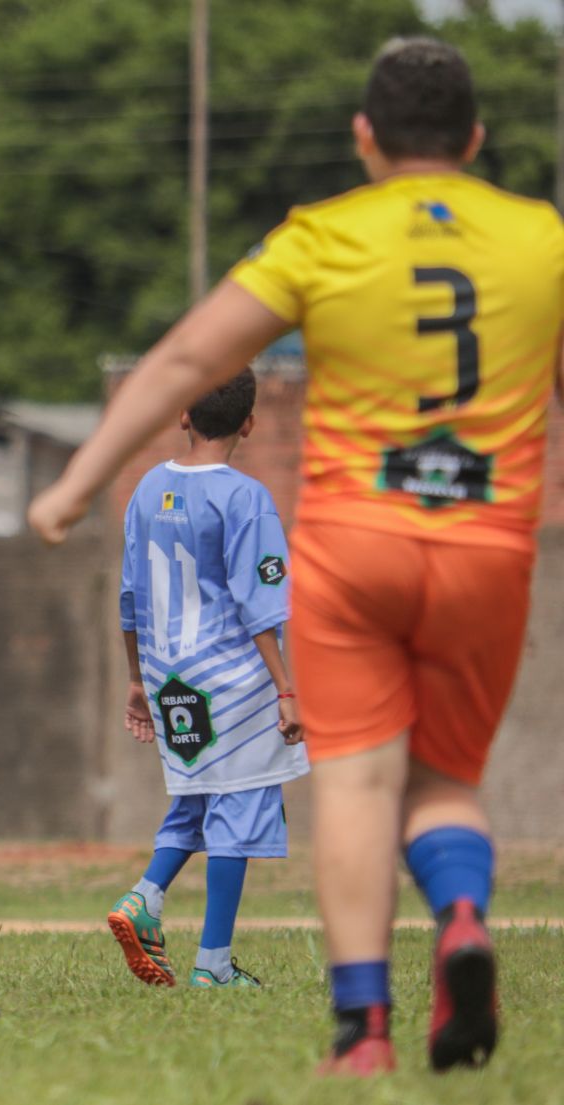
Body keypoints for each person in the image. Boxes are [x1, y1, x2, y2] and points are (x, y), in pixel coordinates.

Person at [29, 37, 564, 1075]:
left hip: (354, 548)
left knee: (356, 789)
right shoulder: (538, 237)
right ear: (477, 139)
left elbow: (190, 353)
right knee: (444, 780)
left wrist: (76, 480)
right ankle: (459, 912)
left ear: (364, 138)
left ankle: (362, 1031)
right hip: (483, 546)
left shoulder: (322, 235)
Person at [108, 368, 307, 991]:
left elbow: (129, 595)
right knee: (240, 809)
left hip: (172, 681)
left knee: (197, 798)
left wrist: (137, 680)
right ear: (249, 423)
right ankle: (213, 964)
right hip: (233, 681)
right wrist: (286, 689)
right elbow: (262, 607)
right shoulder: (245, 498)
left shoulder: (146, 489)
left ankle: (144, 900)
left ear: (183, 416)